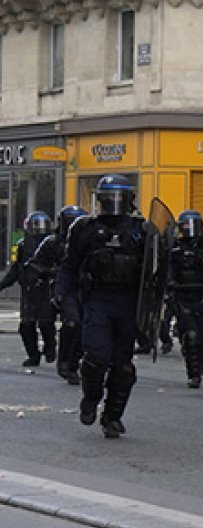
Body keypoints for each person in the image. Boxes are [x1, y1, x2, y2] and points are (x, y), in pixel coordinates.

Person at [56, 175, 149, 438]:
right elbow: (70, 265)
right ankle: (91, 398)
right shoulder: (85, 228)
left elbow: (158, 271)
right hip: (97, 300)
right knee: (96, 357)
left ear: (129, 200)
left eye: (119, 197)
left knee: (123, 366)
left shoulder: (141, 230)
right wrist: (62, 293)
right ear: (99, 200)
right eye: (108, 197)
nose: (113, 203)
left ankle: (112, 417)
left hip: (128, 302)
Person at [30, 205, 88, 383]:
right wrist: (49, 272)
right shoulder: (52, 242)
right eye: (68, 221)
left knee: (84, 327)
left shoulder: (89, 242)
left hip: (86, 289)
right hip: (61, 287)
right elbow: (34, 264)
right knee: (70, 322)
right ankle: (62, 360)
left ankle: (74, 362)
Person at [167, 210, 203, 388]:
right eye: (185, 226)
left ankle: (200, 360)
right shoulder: (174, 249)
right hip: (183, 296)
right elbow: (166, 269)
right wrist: (170, 283)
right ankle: (194, 374)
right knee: (191, 335)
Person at [0, 210, 58, 367]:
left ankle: (50, 346)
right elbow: (16, 269)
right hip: (29, 289)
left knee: (46, 322)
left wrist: (48, 274)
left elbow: (59, 267)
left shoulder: (53, 243)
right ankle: (33, 354)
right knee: (26, 325)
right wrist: (3, 284)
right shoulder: (23, 245)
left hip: (45, 287)